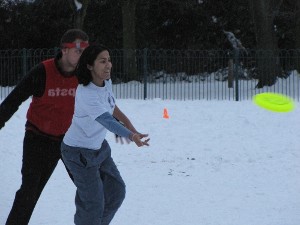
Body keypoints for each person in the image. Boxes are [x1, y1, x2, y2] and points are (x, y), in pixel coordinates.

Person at [0, 29, 89, 225]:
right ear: (64, 50)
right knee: (29, 192)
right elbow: (13, 100)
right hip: (38, 138)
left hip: (69, 141)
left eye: (86, 50)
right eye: (78, 50)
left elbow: (101, 103)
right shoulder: (43, 71)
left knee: (92, 190)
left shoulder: (85, 74)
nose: (83, 55)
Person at [61, 44, 150, 225]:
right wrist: (130, 136)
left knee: (116, 191)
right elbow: (107, 120)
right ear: (89, 65)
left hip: (99, 148)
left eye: (109, 60)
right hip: (78, 154)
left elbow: (112, 108)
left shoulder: (106, 83)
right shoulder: (86, 93)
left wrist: (132, 130)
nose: (108, 65)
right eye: (102, 61)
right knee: (93, 203)